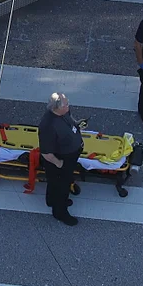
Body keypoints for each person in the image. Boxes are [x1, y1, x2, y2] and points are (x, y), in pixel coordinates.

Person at [38, 92, 82, 226]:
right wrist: (60, 164)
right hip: (60, 161)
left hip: (69, 156)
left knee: (55, 184)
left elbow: (71, 121)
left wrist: (77, 125)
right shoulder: (48, 126)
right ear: (56, 107)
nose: (69, 106)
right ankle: (60, 212)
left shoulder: (63, 113)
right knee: (61, 186)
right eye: (66, 104)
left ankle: (51, 200)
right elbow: (46, 153)